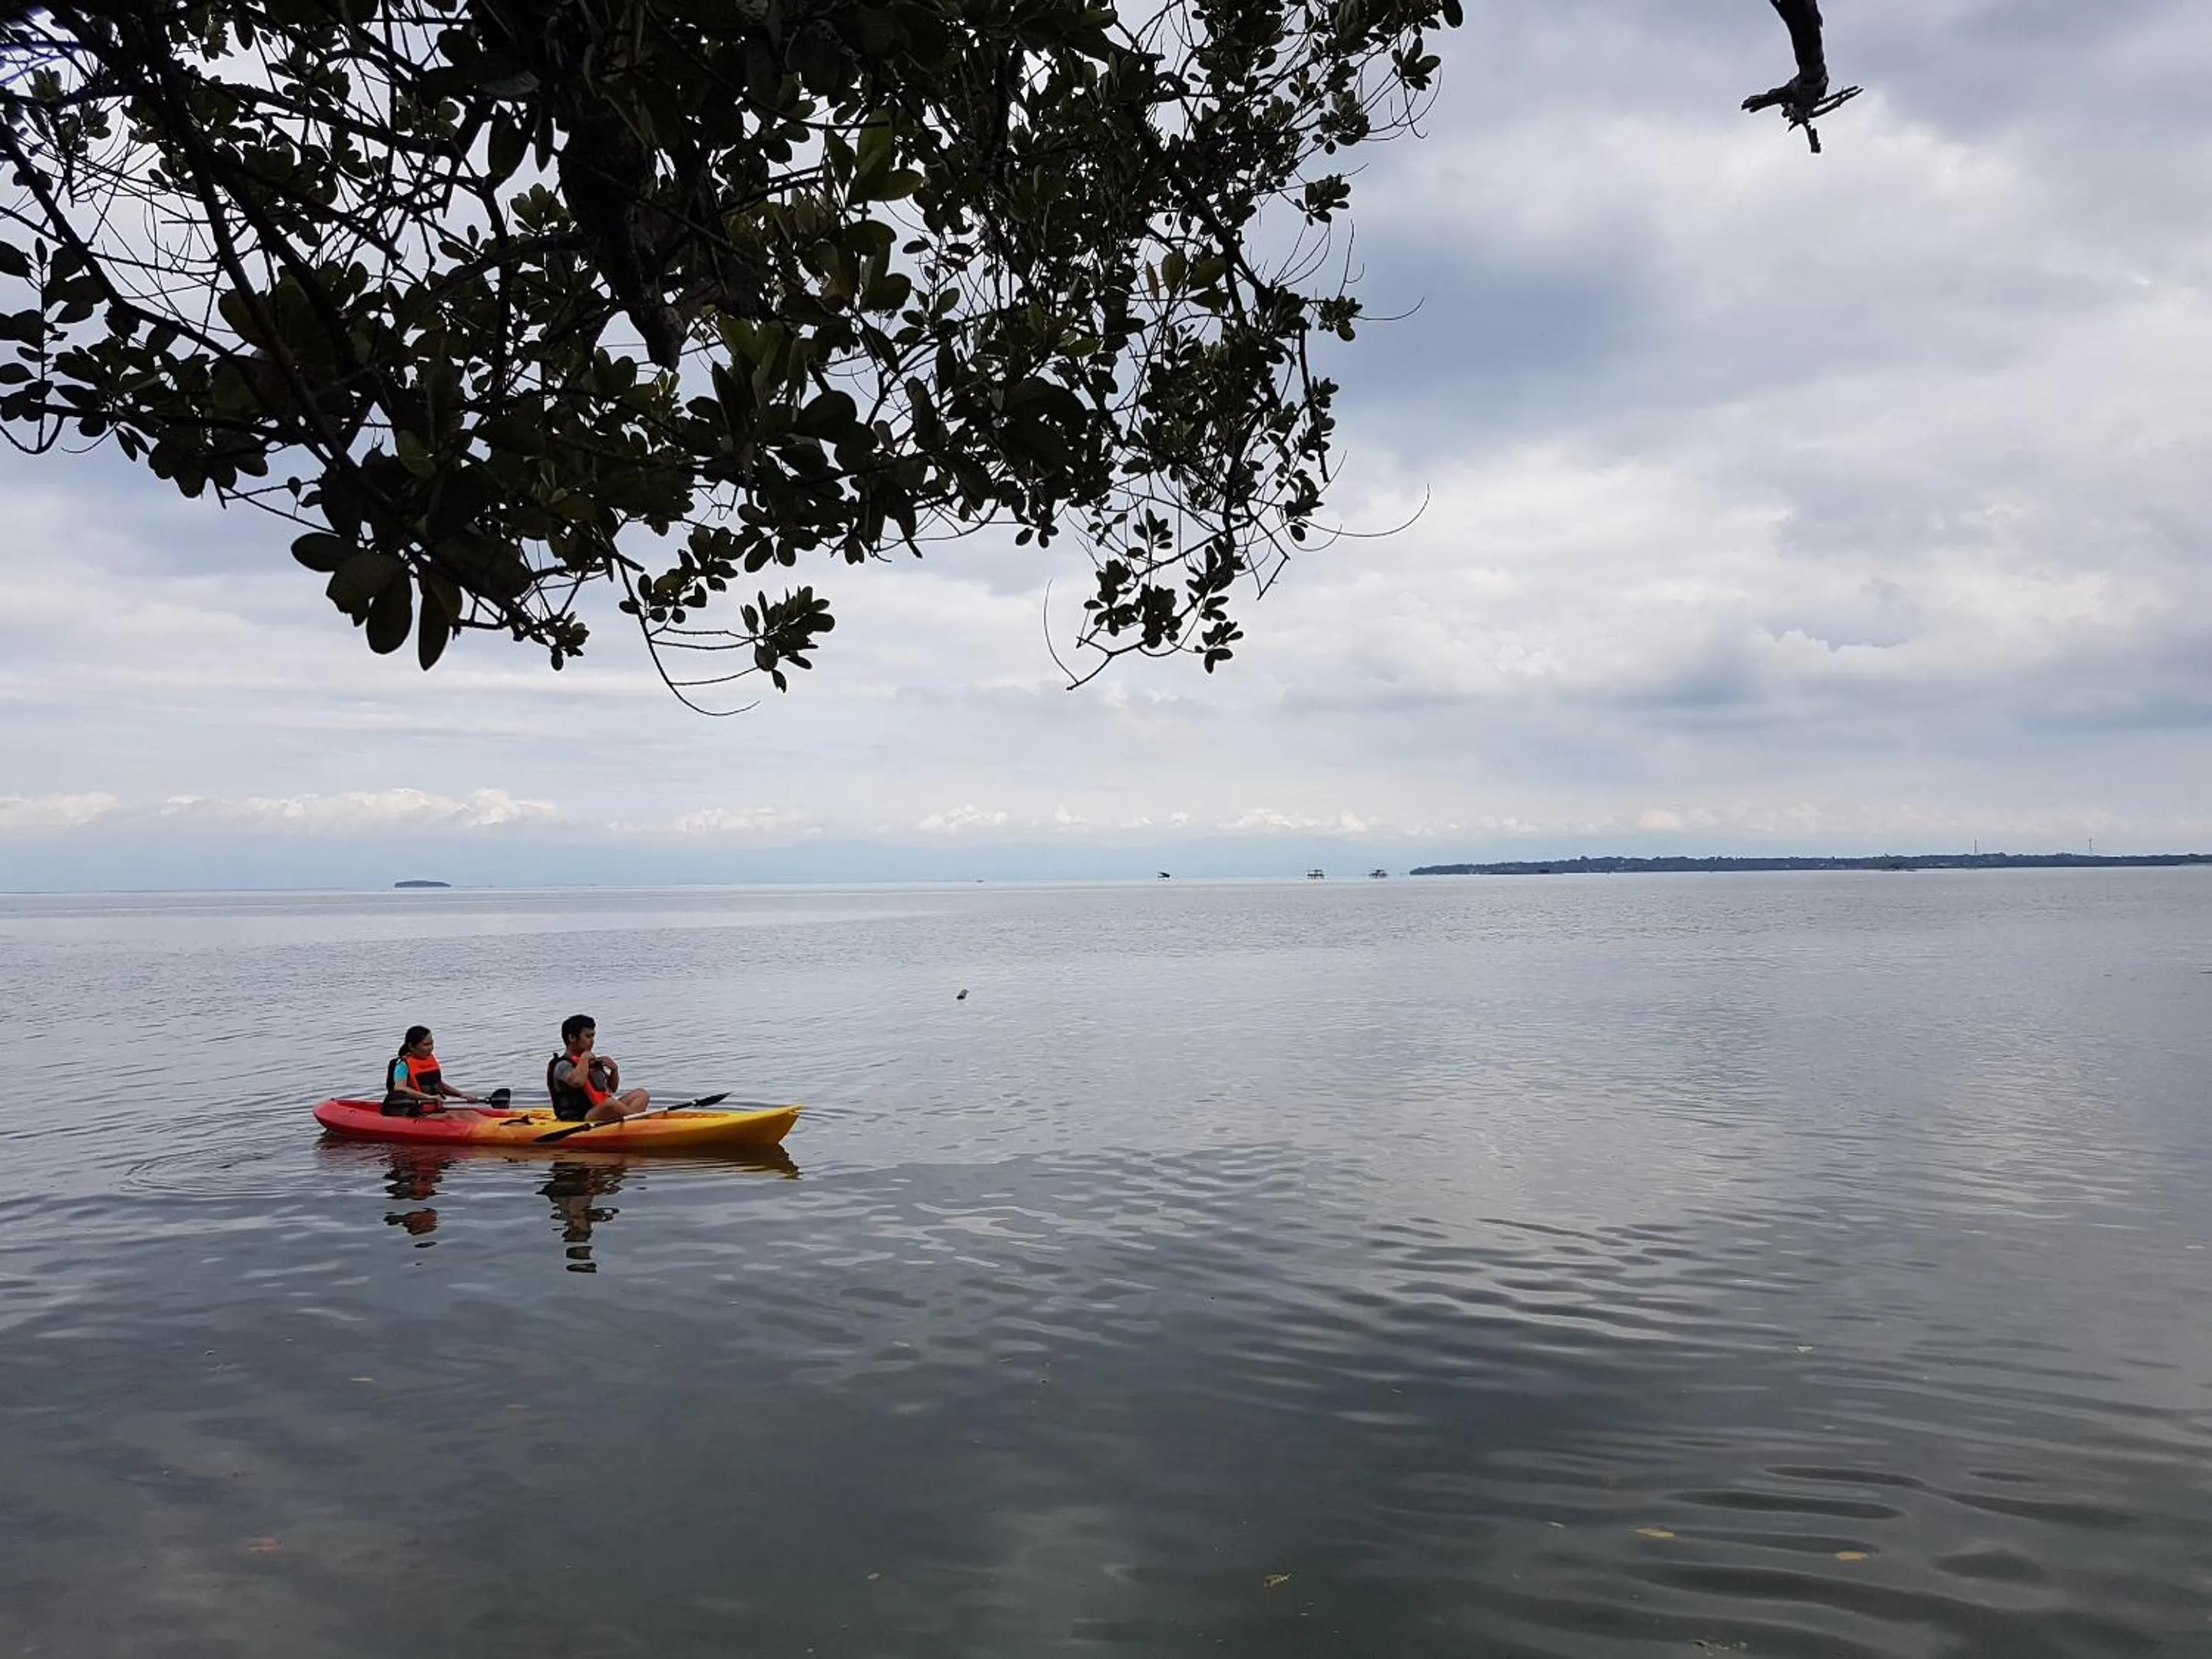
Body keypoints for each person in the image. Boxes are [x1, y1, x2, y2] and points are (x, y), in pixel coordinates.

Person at [546, 1014, 652, 1124]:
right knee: (610, 1103)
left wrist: (614, 1070)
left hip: (600, 1111)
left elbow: (612, 1088)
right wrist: (585, 1058)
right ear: (572, 1038)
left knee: (641, 1094)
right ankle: (637, 1122)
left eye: (593, 1036)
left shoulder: (591, 1062)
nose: (592, 1041)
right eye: (588, 1037)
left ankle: (632, 1121)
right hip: (578, 1118)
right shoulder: (562, 1065)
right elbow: (577, 1082)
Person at [382, 1026, 486, 1117]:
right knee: (455, 1117)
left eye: (432, 1044)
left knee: (470, 1114)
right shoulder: (403, 1065)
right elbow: (400, 1088)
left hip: (435, 1108)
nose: (430, 1048)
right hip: (416, 1111)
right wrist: (429, 1097)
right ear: (412, 1046)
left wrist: (461, 1094)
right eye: (426, 1045)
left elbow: (439, 1084)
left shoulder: (429, 1060)